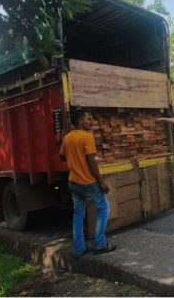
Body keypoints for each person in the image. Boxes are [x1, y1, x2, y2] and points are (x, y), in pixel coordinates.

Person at [59, 108, 116, 258]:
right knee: (103, 208)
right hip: (88, 183)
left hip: (73, 182)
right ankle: (100, 244)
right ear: (80, 121)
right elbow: (92, 161)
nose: (90, 122)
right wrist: (101, 182)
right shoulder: (87, 137)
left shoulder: (67, 138)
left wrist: (75, 159)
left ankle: (79, 249)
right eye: (88, 119)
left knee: (78, 215)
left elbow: (62, 157)